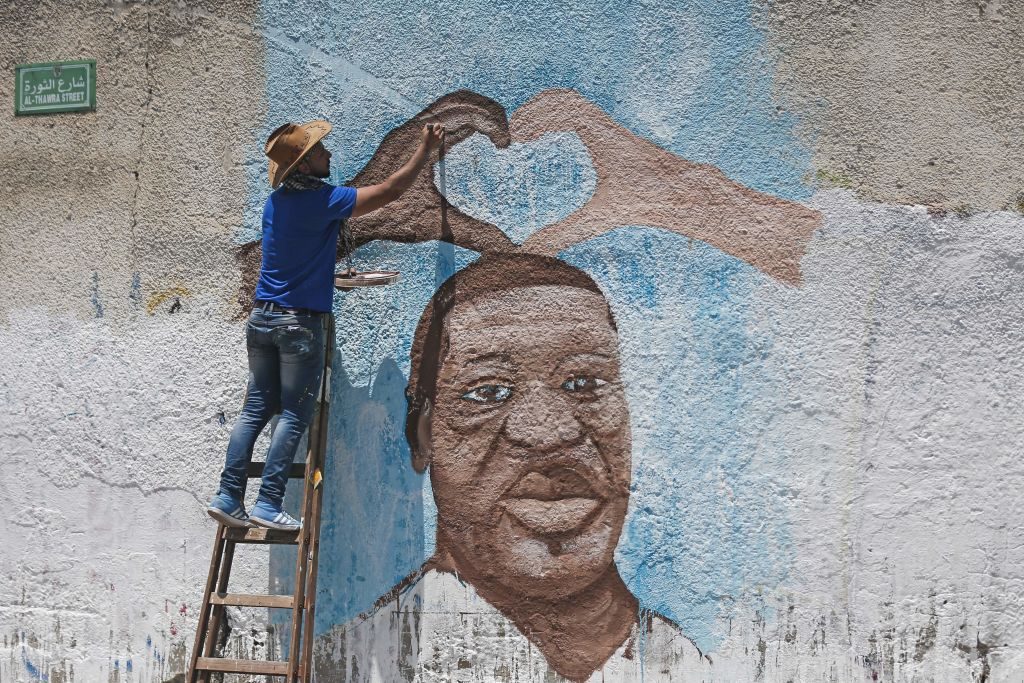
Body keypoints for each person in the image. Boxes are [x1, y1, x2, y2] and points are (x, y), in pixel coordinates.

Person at [313, 255, 713, 682]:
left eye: (583, 383)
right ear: (422, 434)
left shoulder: (689, 665)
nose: (550, 432)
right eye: (488, 392)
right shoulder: (365, 661)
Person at [207, 118, 445, 531]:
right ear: (302, 166)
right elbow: (390, 191)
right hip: (298, 323)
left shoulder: (274, 204)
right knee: (295, 414)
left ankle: (228, 496)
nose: (328, 154)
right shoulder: (323, 201)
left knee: (255, 410)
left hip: (263, 318)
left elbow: (292, 258)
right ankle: (267, 502)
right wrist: (424, 150)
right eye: (319, 151)